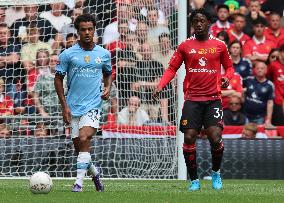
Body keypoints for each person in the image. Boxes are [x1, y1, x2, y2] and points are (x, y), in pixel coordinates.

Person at [153, 8, 235, 191]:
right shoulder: (185, 46)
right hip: (192, 99)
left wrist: (227, 78)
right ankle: (194, 181)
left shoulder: (220, 45)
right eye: (195, 21)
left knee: (215, 137)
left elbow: (229, 68)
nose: (198, 24)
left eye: (202, 21)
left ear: (208, 23)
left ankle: (215, 173)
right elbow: (172, 68)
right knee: (189, 137)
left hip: (213, 98)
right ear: (192, 25)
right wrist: (161, 85)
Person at [54, 14, 112, 192]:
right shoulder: (68, 54)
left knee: (85, 137)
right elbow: (58, 79)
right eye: (83, 30)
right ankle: (95, 173)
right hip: (73, 107)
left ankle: (78, 183)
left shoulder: (104, 54)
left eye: (90, 29)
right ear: (78, 31)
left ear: (94, 30)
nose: (87, 33)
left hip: (93, 105)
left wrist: (107, 87)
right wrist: (64, 106)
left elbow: (108, 73)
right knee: (79, 150)